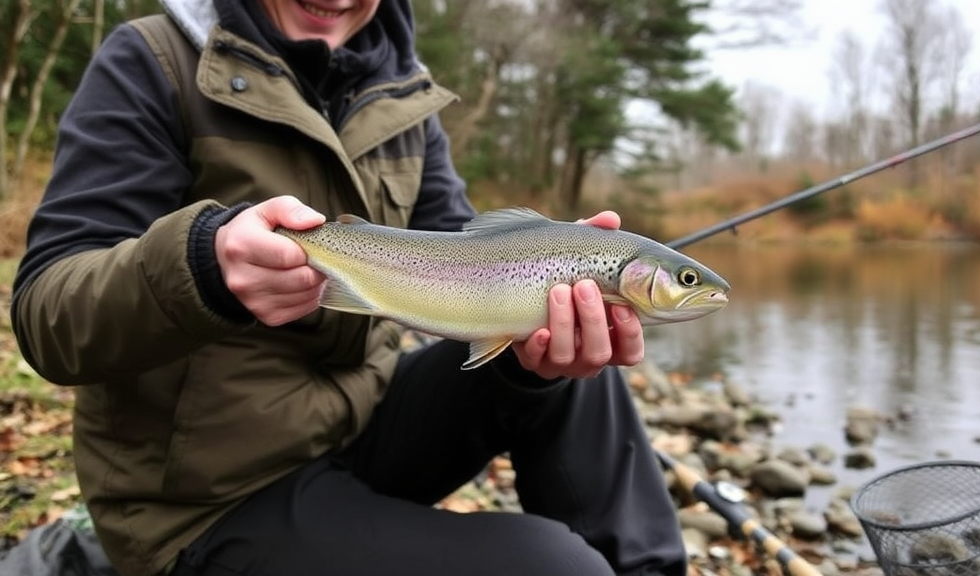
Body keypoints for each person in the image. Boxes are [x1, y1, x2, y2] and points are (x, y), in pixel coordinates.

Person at [10, 0, 687, 575]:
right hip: (204, 499)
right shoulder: (150, 62)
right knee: (552, 568)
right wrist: (203, 265)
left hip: (362, 426)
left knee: (577, 348)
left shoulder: (401, 93)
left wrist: (538, 329)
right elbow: (47, 316)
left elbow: (464, 255)